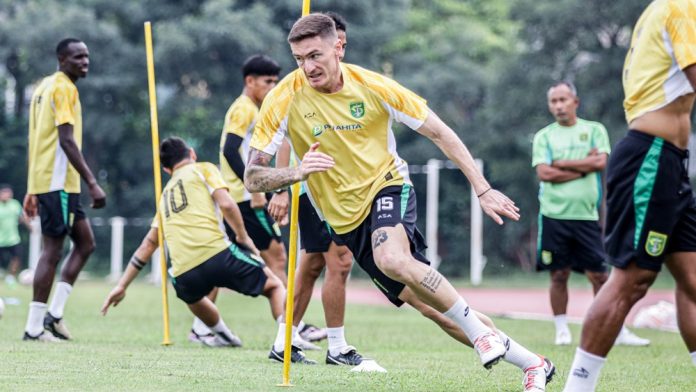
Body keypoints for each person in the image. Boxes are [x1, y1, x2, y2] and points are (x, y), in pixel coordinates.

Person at [245, 14, 554, 390]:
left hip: (387, 187)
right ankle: (533, 363)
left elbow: (440, 132)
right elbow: (252, 176)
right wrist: (296, 173)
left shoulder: (374, 87)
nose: (307, 67)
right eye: (298, 59)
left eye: (315, 55)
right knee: (436, 312)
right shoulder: (284, 98)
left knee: (391, 258)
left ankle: (484, 335)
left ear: (338, 47)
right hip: (345, 222)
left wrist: (482, 187)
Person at [563, 1, 696, 390]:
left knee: (691, 277)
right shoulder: (679, 7)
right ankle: (578, 386)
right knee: (632, 278)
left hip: (668, 162)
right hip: (649, 159)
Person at [102, 137, 315, 364]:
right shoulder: (203, 169)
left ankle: (223, 334)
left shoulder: (165, 195)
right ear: (192, 154)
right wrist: (243, 238)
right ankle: (288, 341)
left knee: (193, 297)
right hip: (217, 254)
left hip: (182, 272)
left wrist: (121, 286)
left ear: (167, 169)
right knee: (273, 286)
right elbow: (226, 203)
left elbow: (148, 244)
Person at [267, 11, 364, 364]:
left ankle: (283, 341)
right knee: (339, 261)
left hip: (344, 190)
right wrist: (281, 188)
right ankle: (337, 347)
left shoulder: (353, 86)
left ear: (342, 44)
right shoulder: (299, 89)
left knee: (309, 268)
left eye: (339, 42)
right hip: (314, 192)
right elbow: (283, 139)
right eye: (305, 56)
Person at [533, 82, 649, 347]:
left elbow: (600, 162)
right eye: (554, 101)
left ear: (576, 101)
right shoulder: (544, 136)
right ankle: (562, 330)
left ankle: (617, 331)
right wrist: (582, 167)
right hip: (553, 215)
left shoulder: (594, 130)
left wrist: (561, 163)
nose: (559, 106)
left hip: (587, 217)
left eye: (564, 99)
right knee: (558, 274)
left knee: (600, 276)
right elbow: (544, 173)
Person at [22, 38, 106, 342]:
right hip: (57, 182)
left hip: (53, 182)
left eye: (86, 56)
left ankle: (53, 315)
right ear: (61, 58)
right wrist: (93, 183)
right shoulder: (62, 88)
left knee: (86, 244)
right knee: (52, 250)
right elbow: (66, 140)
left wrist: (32, 188)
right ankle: (33, 329)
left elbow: (34, 139)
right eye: (77, 57)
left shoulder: (44, 87)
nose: (84, 62)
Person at [0, 185, 30, 284]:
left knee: (17, 258)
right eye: (4, 193)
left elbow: (21, 217)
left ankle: (10, 276)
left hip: (13, 238)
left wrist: (30, 227)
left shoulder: (15, 204)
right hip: (1, 239)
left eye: (8, 193)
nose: (6, 195)